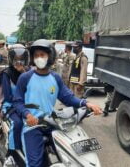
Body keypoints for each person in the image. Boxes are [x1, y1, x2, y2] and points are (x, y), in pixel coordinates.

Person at [13, 39, 102, 167]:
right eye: (36, 55)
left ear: (50, 56)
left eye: (42, 55)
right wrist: (27, 115)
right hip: (32, 125)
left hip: (52, 123)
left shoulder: (55, 78)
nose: (39, 58)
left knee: (72, 154)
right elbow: (17, 101)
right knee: (35, 164)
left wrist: (86, 103)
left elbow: (68, 97)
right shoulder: (25, 78)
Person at [0, 44, 29, 167]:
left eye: (22, 59)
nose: (19, 62)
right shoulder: (6, 74)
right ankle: (11, 154)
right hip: (11, 105)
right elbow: (8, 96)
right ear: (11, 59)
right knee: (18, 123)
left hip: (28, 104)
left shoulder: (29, 72)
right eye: (16, 59)